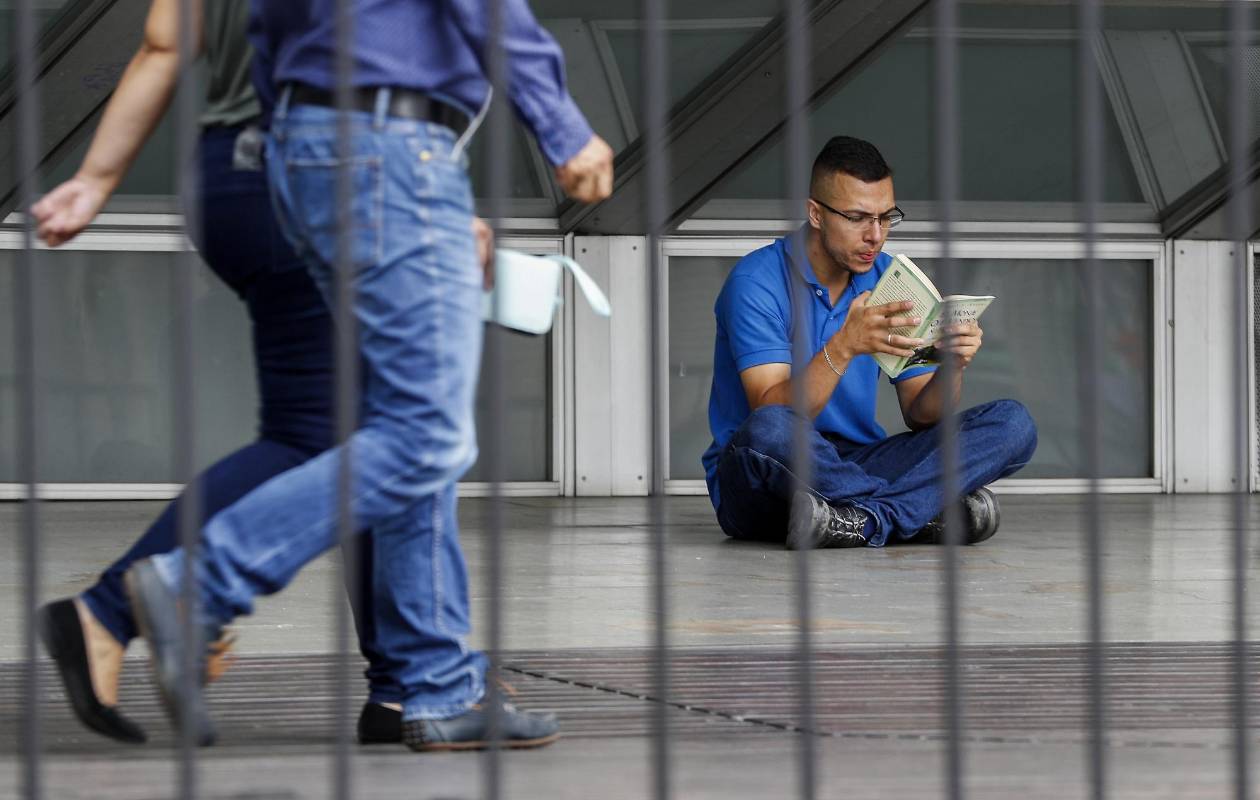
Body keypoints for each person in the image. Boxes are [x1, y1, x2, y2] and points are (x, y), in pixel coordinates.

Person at [122, 0, 614, 751]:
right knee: (427, 437)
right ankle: (199, 580)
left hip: (314, 143)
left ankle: (435, 685)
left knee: (406, 423)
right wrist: (562, 124)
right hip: (388, 142)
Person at [29, 0, 486, 746]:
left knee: (353, 432)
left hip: (227, 179)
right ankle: (118, 609)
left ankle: (406, 686)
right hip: (333, 172)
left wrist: (97, 176)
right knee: (369, 435)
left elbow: (162, 45)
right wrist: (424, 198)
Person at [702, 136, 1037, 551]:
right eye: (858, 218)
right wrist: (845, 346)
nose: (875, 235)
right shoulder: (756, 283)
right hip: (761, 476)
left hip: (855, 460)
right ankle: (918, 510)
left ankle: (860, 520)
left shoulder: (889, 279)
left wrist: (952, 364)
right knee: (770, 428)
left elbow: (922, 415)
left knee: (1012, 423)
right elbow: (773, 414)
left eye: (885, 217)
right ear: (816, 214)